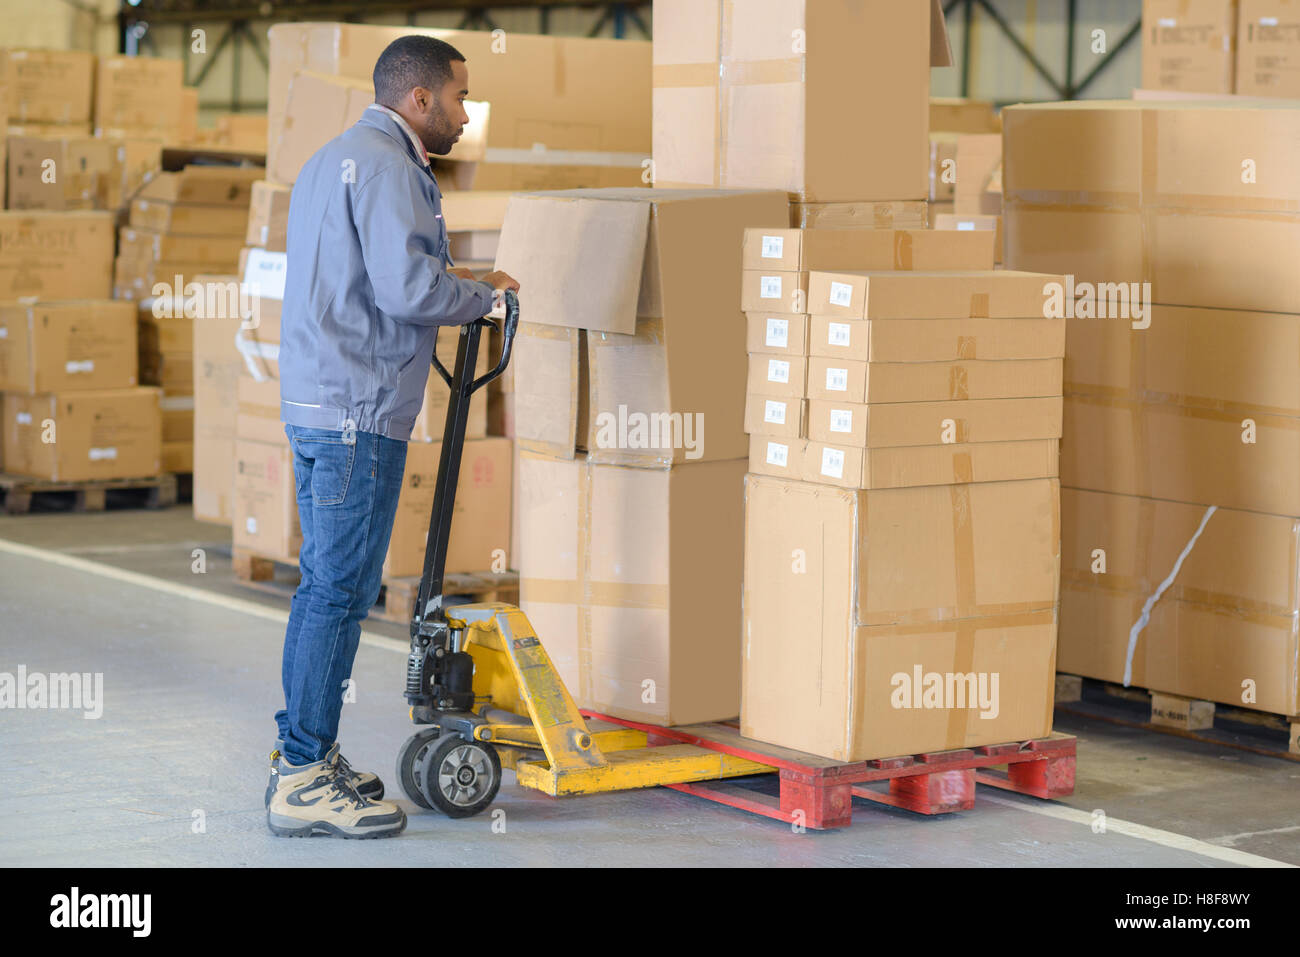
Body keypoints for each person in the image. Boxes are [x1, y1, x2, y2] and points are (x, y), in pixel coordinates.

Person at [264, 35, 520, 839]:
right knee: (335, 593)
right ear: (419, 99)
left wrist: (467, 284)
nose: (465, 113)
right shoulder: (391, 167)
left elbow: (366, 275)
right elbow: (407, 286)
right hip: (356, 415)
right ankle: (303, 774)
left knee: (325, 589)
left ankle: (304, 758)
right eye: (459, 97)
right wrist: (479, 301)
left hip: (316, 403)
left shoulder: (330, 158)